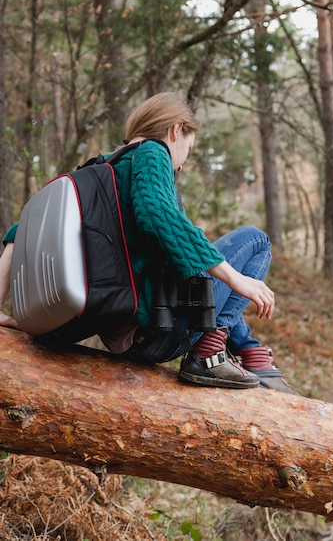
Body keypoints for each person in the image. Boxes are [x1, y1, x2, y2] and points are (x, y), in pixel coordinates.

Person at [0, 92, 297, 395]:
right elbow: (159, 216)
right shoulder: (153, 152)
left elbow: (21, 231)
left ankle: (245, 350)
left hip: (127, 338)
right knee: (255, 239)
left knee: (210, 267)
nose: (180, 166)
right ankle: (209, 355)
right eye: (188, 150)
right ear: (176, 130)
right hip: (161, 333)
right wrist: (237, 279)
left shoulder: (99, 172)